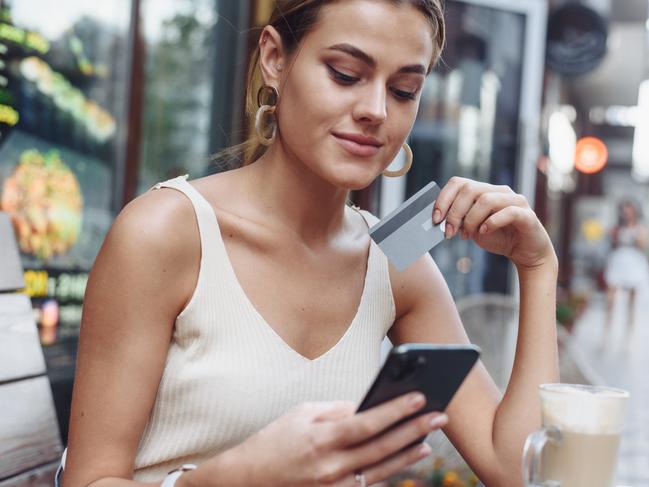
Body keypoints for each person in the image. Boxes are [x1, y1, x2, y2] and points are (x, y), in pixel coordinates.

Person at [61, 1, 559, 486]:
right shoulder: (167, 234)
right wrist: (227, 479)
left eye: (405, 90)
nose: (376, 110)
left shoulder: (392, 263)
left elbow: (519, 470)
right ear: (275, 59)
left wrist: (537, 268)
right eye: (345, 74)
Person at [602, 200, 649, 347]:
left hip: (633, 261)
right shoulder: (617, 228)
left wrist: (637, 238)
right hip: (619, 260)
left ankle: (629, 330)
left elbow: (643, 245)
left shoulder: (640, 228)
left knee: (632, 298)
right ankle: (608, 327)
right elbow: (611, 243)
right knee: (611, 294)